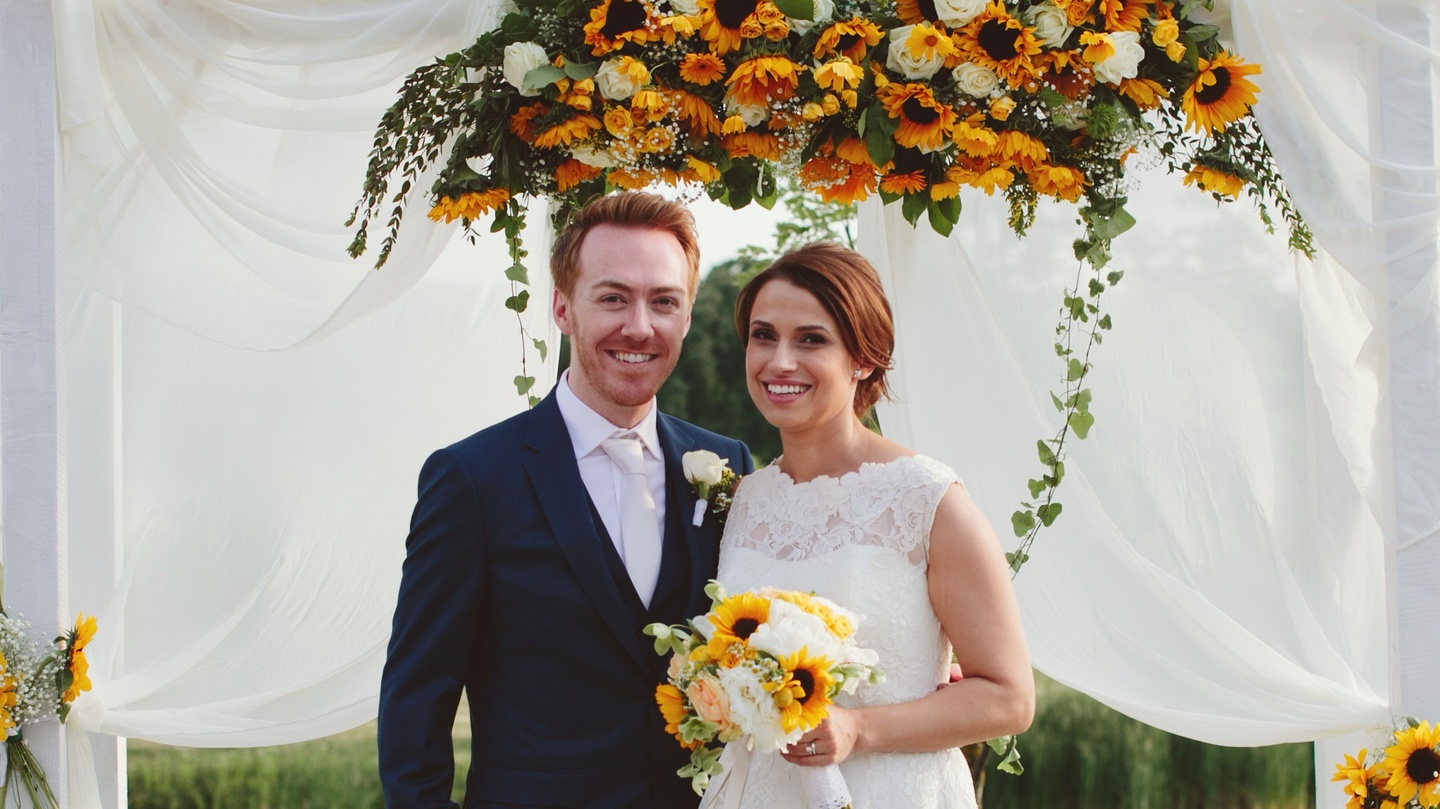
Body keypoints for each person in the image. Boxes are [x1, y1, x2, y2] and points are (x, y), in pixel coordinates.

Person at [378, 191, 753, 809]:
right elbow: (419, 691)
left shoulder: (727, 465)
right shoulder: (472, 479)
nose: (640, 325)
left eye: (664, 301)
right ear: (561, 308)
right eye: (612, 297)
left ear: (687, 316)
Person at [702, 242, 1034, 808]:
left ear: (864, 359)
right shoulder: (748, 498)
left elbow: (1008, 699)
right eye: (763, 335)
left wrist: (859, 730)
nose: (780, 361)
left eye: (811, 339)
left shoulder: (928, 500)